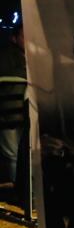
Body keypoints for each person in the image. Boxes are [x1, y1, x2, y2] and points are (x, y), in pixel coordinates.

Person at [0, 23, 27, 188]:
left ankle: (24, 192)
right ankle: (19, 192)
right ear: (14, 38)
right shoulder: (6, 56)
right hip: (9, 114)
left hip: (23, 115)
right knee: (13, 154)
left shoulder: (34, 55)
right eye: (25, 36)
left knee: (23, 154)